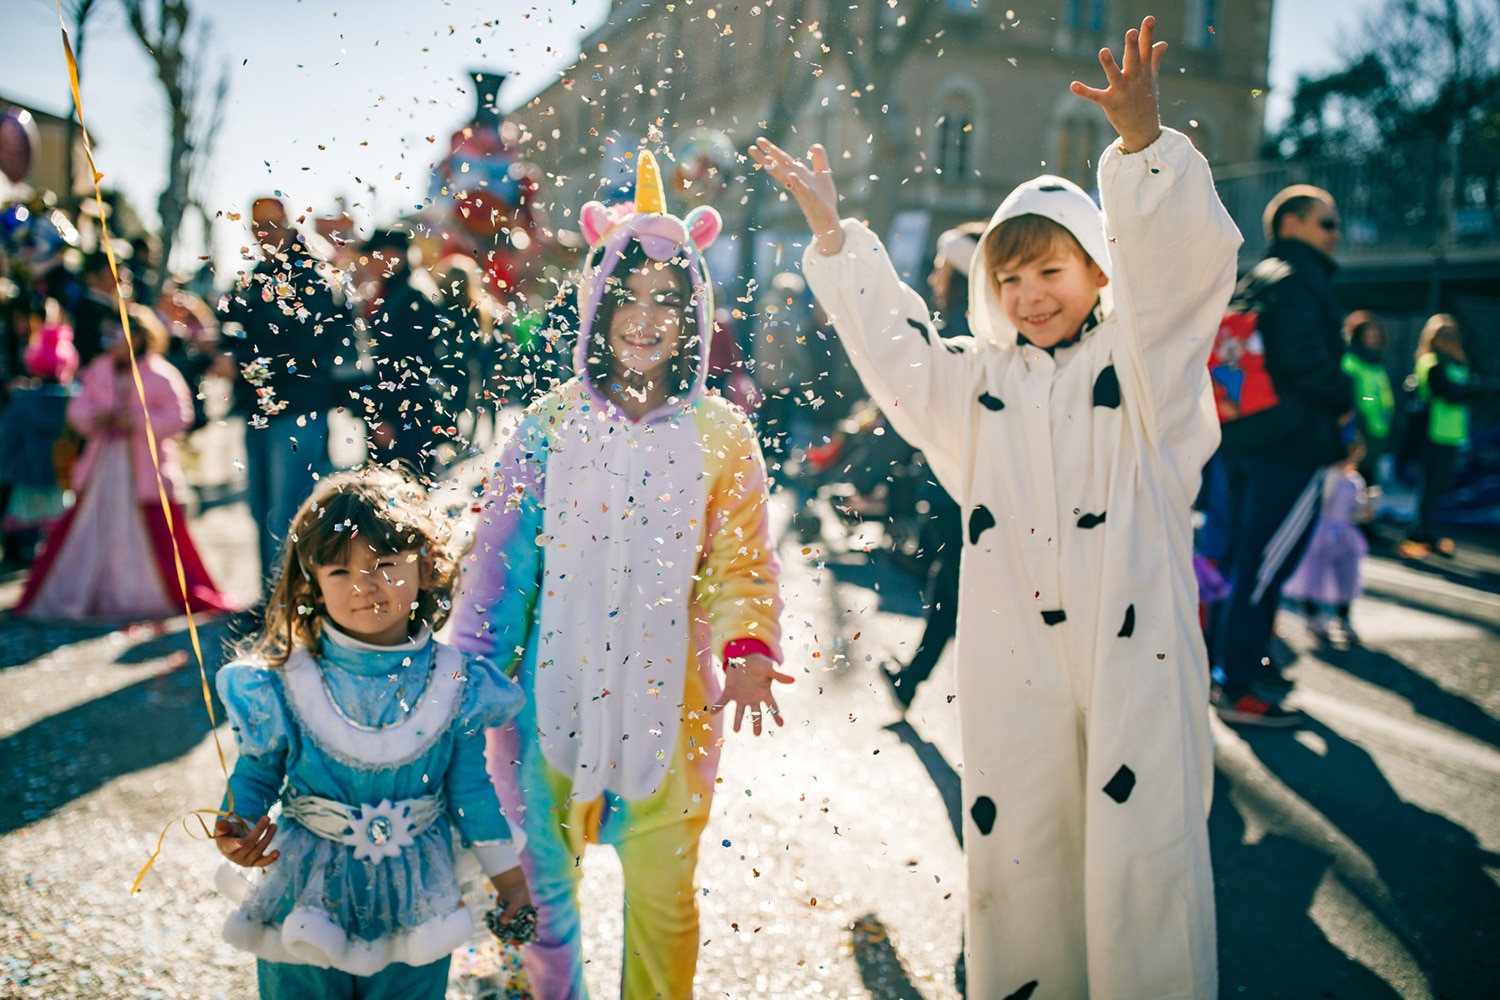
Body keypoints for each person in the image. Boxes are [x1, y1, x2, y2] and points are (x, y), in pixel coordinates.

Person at [752, 15, 1236, 997]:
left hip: (1129, 657)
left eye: (1050, 269)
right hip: (1014, 662)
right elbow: (901, 360)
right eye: (1008, 277)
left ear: (1101, 268)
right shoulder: (980, 386)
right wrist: (837, 242)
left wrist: (1143, 154)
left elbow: (1177, 291)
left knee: (1139, 856)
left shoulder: (1142, 374)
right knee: (1025, 845)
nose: (1028, 293)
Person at [450, 150, 789, 998]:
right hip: (540, 712)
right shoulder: (548, 426)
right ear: (596, 309)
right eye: (626, 299)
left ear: (694, 314)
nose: (644, 319)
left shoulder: (723, 435)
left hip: (669, 719)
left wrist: (748, 640)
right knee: (542, 901)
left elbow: (741, 561)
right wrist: (471, 667)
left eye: (667, 303)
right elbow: (500, 563)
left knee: (666, 907)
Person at [211, 466, 532, 999]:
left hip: (418, 899)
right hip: (304, 894)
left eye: (384, 564)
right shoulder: (284, 681)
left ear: (426, 568)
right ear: (311, 580)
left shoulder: (456, 681)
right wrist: (236, 825)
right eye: (339, 571)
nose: (365, 586)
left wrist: (510, 881)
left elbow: (471, 790)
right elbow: (257, 771)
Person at [1208, 182, 1354, 725]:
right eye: (1327, 223)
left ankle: (1235, 664)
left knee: (1237, 559)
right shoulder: (1300, 280)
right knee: (1264, 565)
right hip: (1288, 446)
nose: (1336, 234)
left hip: (1241, 437)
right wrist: (1345, 402)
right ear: (1291, 225)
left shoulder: (1258, 277)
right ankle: (1237, 682)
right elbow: (1306, 361)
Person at [17, 305, 235, 618]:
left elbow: (179, 417)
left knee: (158, 536)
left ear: (139, 338)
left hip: (144, 467)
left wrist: (137, 422)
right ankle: (91, 591)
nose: (111, 343)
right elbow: (78, 412)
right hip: (102, 465)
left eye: (116, 336)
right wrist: (97, 418)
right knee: (86, 527)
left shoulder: (160, 374)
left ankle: (147, 594)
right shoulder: (99, 370)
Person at [217, 196, 348, 587]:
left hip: (298, 408)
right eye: (256, 225)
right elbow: (241, 329)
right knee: (260, 509)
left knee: (288, 511)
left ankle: (289, 602)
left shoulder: (313, 275)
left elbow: (311, 352)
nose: (263, 232)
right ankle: (270, 598)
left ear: (291, 223)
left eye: (271, 223)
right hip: (258, 407)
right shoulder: (257, 274)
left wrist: (241, 364)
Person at [356, 227, 448, 479]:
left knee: (404, 487)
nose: (371, 262)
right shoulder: (393, 292)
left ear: (397, 255)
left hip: (403, 414)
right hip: (397, 410)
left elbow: (409, 365)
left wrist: (384, 417)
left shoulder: (411, 297)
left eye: (377, 255)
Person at [1397, 313, 1486, 559]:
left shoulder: (1458, 363)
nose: (1448, 339)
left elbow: (1467, 391)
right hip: (1431, 433)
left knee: (1440, 485)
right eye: (1443, 334)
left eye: (1452, 334)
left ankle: (1422, 530)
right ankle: (1418, 532)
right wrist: (1466, 392)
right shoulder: (1430, 362)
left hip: (1451, 435)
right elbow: (1449, 393)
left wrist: (1466, 391)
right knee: (1430, 484)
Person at [0, 303, 78, 564]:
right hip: (60, 473)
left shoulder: (21, 400)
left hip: (27, 473)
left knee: (24, 522)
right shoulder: (74, 401)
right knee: (56, 520)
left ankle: (22, 554)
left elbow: (7, 439)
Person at [1283, 445, 1373, 645]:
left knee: (1347, 576)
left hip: (1344, 533)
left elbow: (1355, 512)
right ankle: (1312, 615)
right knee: (1315, 576)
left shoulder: (1355, 481)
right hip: (1322, 532)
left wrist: (1367, 507)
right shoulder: (1326, 476)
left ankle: (1344, 616)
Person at [1341, 310, 1395, 490]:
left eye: (1375, 336)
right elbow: (1357, 395)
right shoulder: (1351, 362)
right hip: (1359, 426)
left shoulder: (1377, 364)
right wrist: (1370, 401)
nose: (1372, 339)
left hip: (1378, 428)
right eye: (1368, 336)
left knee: (1370, 478)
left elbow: (1383, 395)